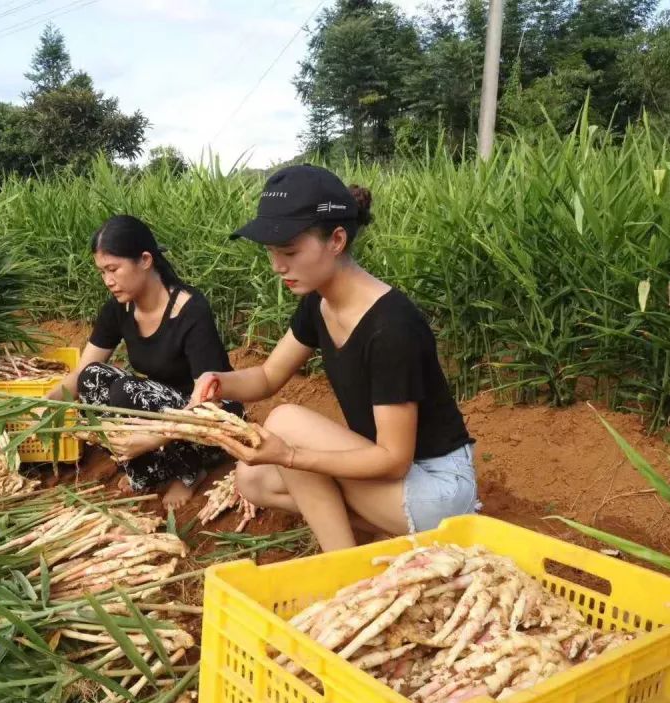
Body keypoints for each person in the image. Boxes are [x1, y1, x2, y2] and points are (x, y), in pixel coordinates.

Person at [190, 164, 477, 552]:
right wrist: (218, 381)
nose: (278, 266)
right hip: (391, 479)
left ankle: (341, 561)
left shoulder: (391, 327)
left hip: (436, 487)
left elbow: (394, 460)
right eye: (273, 252)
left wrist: (291, 456)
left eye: (289, 251)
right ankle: (380, 538)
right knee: (252, 480)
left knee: (287, 423)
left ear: (337, 239)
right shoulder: (318, 302)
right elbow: (268, 376)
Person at [46, 214, 239, 510]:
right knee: (92, 379)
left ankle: (190, 471)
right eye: (102, 272)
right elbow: (83, 372)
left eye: (114, 269)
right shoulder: (118, 308)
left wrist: (151, 438)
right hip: (163, 409)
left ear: (145, 260)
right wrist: (45, 405)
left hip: (210, 418)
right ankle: (148, 471)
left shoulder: (190, 310)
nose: (108, 281)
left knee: (126, 391)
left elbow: (210, 400)